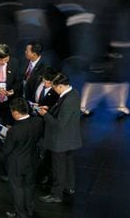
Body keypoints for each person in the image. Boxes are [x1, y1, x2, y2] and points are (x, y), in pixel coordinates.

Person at [0, 98, 43, 218]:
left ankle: (20, 214)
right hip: (32, 160)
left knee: (18, 189)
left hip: (16, 165)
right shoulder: (38, 121)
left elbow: (6, 150)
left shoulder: (14, 131)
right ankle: (30, 210)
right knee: (29, 186)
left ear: (15, 112)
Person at [37, 73, 82, 203]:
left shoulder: (67, 100)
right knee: (68, 164)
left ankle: (56, 194)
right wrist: (50, 109)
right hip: (71, 138)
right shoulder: (73, 93)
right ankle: (69, 187)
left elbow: (59, 124)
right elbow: (63, 112)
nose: (53, 90)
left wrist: (46, 115)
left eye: (54, 87)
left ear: (61, 86)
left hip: (61, 140)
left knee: (59, 168)